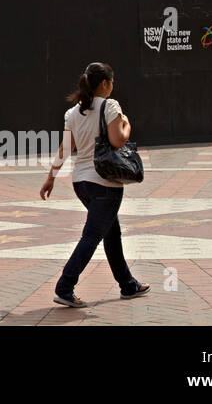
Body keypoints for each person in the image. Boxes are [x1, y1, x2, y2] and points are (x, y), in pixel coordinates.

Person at [39, 61, 151, 308]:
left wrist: (51, 177)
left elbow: (66, 148)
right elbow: (118, 140)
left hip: (81, 183)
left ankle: (127, 284)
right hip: (105, 183)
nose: (112, 86)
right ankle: (65, 286)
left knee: (111, 232)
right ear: (105, 84)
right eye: (112, 82)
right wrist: (127, 124)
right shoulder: (110, 106)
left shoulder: (73, 113)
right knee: (92, 236)